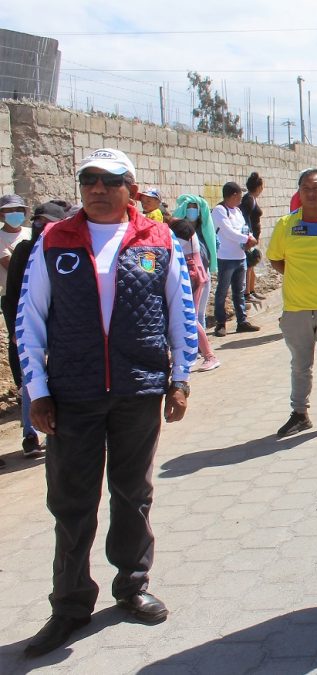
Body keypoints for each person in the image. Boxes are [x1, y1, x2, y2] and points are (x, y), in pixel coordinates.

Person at [16, 148, 197, 657]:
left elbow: (181, 311)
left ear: (131, 188)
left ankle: (132, 585)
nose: (97, 188)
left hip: (137, 389)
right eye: (88, 180)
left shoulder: (157, 239)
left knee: (132, 492)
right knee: (72, 502)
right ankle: (70, 605)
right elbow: (29, 319)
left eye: (110, 180)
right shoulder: (55, 240)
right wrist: (38, 391)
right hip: (72, 394)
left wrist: (180, 378)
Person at [267, 168, 317, 438]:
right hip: (296, 309)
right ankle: (299, 414)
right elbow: (277, 259)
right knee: (300, 365)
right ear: (299, 192)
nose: (311, 193)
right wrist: (299, 278)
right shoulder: (285, 225)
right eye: (306, 189)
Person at [3, 200, 66, 460]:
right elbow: (14, 294)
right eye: (38, 222)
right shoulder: (25, 250)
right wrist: (17, 329)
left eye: (47, 223)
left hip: (64, 327)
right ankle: (31, 434)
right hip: (31, 324)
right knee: (33, 379)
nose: (41, 227)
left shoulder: (67, 249)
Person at [169, 202, 221, 373]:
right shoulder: (184, 228)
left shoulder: (178, 231)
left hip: (192, 276)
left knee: (190, 317)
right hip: (196, 274)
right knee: (190, 317)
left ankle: (209, 356)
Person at [212, 181, 259, 336]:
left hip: (240, 256)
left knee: (239, 291)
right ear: (233, 195)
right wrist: (247, 239)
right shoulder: (219, 210)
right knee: (222, 291)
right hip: (225, 257)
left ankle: (242, 321)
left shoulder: (237, 212)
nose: (241, 198)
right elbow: (228, 232)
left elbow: (245, 228)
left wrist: (250, 238)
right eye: (239, 195)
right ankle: (220, 323)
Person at [240, 172, 265, 303]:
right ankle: (246, 294)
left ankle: (252, 290)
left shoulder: (252, 198)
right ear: (259, 187)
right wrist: (248, 237)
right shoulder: (249, 199)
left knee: (252, 264)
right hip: (249, 238)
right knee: (249, 265)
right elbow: (245, 218)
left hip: (254, 238)